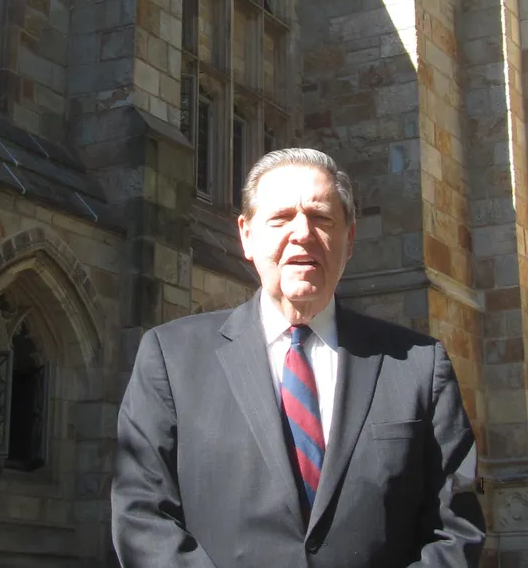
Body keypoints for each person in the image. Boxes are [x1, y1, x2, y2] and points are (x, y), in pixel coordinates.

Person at [112, 148, 485, 568]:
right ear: (246, 236)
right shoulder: (171, 357)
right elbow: (143, 514)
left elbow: (455, 526)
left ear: (350, 239)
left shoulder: (418, 364)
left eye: (322, 217)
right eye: (281, 218)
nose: (303, 232)